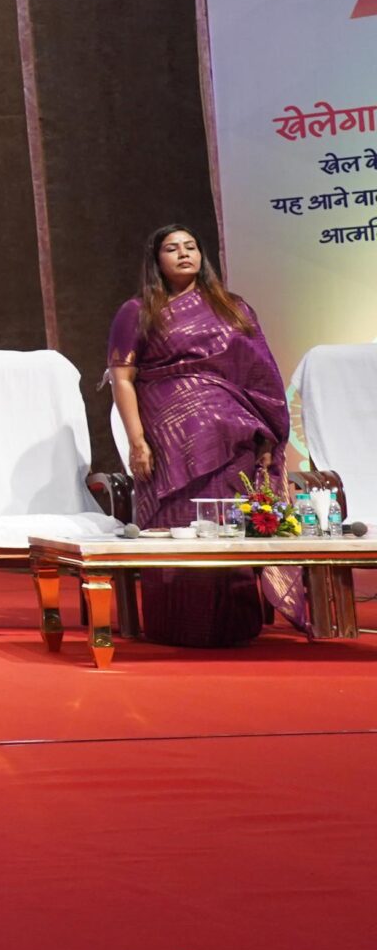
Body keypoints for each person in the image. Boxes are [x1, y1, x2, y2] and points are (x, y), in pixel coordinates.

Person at [108, 224, 294, 645]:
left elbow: (259, 374)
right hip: (168, 434)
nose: (184, 254)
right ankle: (176, 623)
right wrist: (137, 442)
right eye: (172, 248)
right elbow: (122, 378)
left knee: (227, 524)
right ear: (156, 260)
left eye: (190, 246)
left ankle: (233, 623)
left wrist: (266, 437)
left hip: (234, 433)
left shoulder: (233, 308)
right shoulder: (137, 311)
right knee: (176, 524)